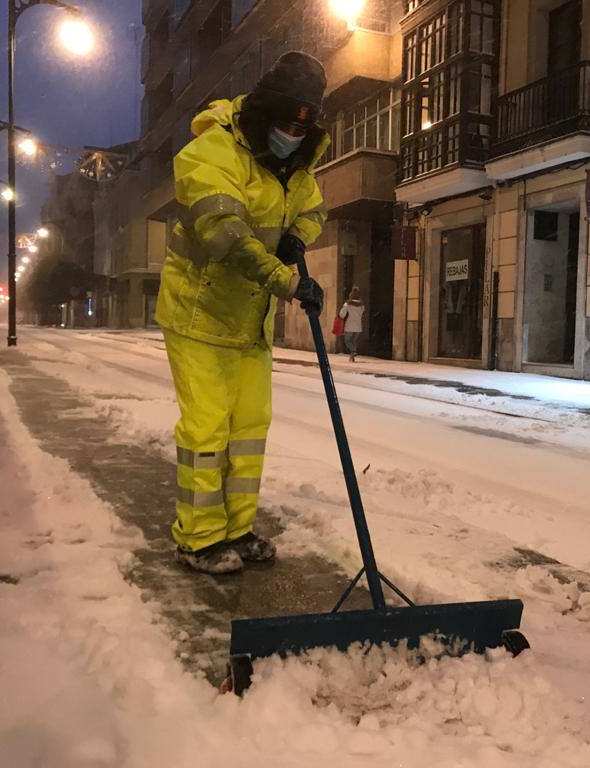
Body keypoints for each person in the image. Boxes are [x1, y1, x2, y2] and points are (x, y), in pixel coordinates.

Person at [155, 51, 329, 574]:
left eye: (303, 126)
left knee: (250, 428)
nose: (293, 135)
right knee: (207, 429)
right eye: (285, 124)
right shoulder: (210, 152)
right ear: (263, 114)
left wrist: (298, 238)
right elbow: (224, 236)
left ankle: (237, 528)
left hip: (249, 321)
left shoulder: (295, 167)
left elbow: (314, 208)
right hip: (198, 312)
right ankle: (199, 538)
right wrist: (286, 280)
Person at [339, 286, 365, 362]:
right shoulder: (362, 305)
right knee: (353, 341)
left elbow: (342, 314)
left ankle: (353, 351)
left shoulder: (347, 304)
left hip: (349, 326)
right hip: (358, 327)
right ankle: (352, 357)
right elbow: (362, 313)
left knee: (347, 341)